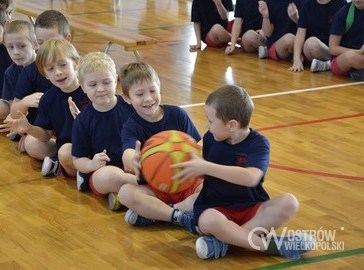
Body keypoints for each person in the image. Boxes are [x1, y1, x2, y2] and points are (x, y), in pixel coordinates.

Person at [172, 85, 312, 260]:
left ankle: (226, 242)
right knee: (208, 220)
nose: (207, 126)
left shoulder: (259, 143)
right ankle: (269, 246)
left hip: (250, 206)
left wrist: (206, 167)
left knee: (289, 202)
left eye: (210, 121)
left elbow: (251, 177)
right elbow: (204, 170)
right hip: (216, 208)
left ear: (232, 125)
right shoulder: (210, 138)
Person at [117, 62, 203, 230]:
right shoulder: (131, 126)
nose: (148, 98)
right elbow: (128, 151)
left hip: (187, 182)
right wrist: (131, 159)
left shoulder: (178, 114)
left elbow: (198, 145)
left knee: (212, 188)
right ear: (127, 98)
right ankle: (180, 216)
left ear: (159, 88)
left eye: (152, 91)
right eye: (140, 94)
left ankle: (161, 214)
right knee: (125, 193)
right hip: (155, 188)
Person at [5, 38, 88, 178]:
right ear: (45, 75)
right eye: (51, 69)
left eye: (63, 65)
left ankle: (64, 165)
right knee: (33, 143)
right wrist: (28, 128)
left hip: (92, 145)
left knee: (67, 153)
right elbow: (46, 134)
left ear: (76, 64)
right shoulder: (48, 98)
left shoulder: (89, 91)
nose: (58, 72)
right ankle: (64, 164)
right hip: (66, 147)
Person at [72, 52, 136, 210]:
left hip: (134, 166)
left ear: (115, 80)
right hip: (105, 170)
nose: (100, 89)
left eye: (106, 82)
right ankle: (148, 188)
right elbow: (78, 160)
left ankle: (126, 195)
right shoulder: (82, 121)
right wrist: (92, 164)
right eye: (93, 85)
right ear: (83, 86)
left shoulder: (131, 107)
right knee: (107, 177)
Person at [10, 10, 72, 153]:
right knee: (33, 144)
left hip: (77, 132)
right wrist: (26, 101)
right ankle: (60, 160)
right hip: (46, 131)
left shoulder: (79, 67)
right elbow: (14, 111)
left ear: (67, 38)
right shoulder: (30, 71)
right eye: (41, 43)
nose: (47, 48)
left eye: (53, 41)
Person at [0, 20, 37, 129]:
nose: (16, 52)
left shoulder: (45, 66)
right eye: (10, 47)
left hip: (45, 113)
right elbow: (13, 107)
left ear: (35, 44)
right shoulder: (10, 73)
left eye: (21, 46)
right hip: (24, 113)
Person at [288, 0, 346, 73]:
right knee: (310, 44)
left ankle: (332, 62)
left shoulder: (341, 4)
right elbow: (300, 33)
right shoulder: (306, 4)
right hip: (313, 51)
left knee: (312, 43)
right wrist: (296, 59)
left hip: (332, 49)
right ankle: (328, 64)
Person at [329, 0, 364, 80]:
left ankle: (359, 71)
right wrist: (359, 51)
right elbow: (333, 48)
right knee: (350, 56)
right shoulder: (342, 14)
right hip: (342, 60)